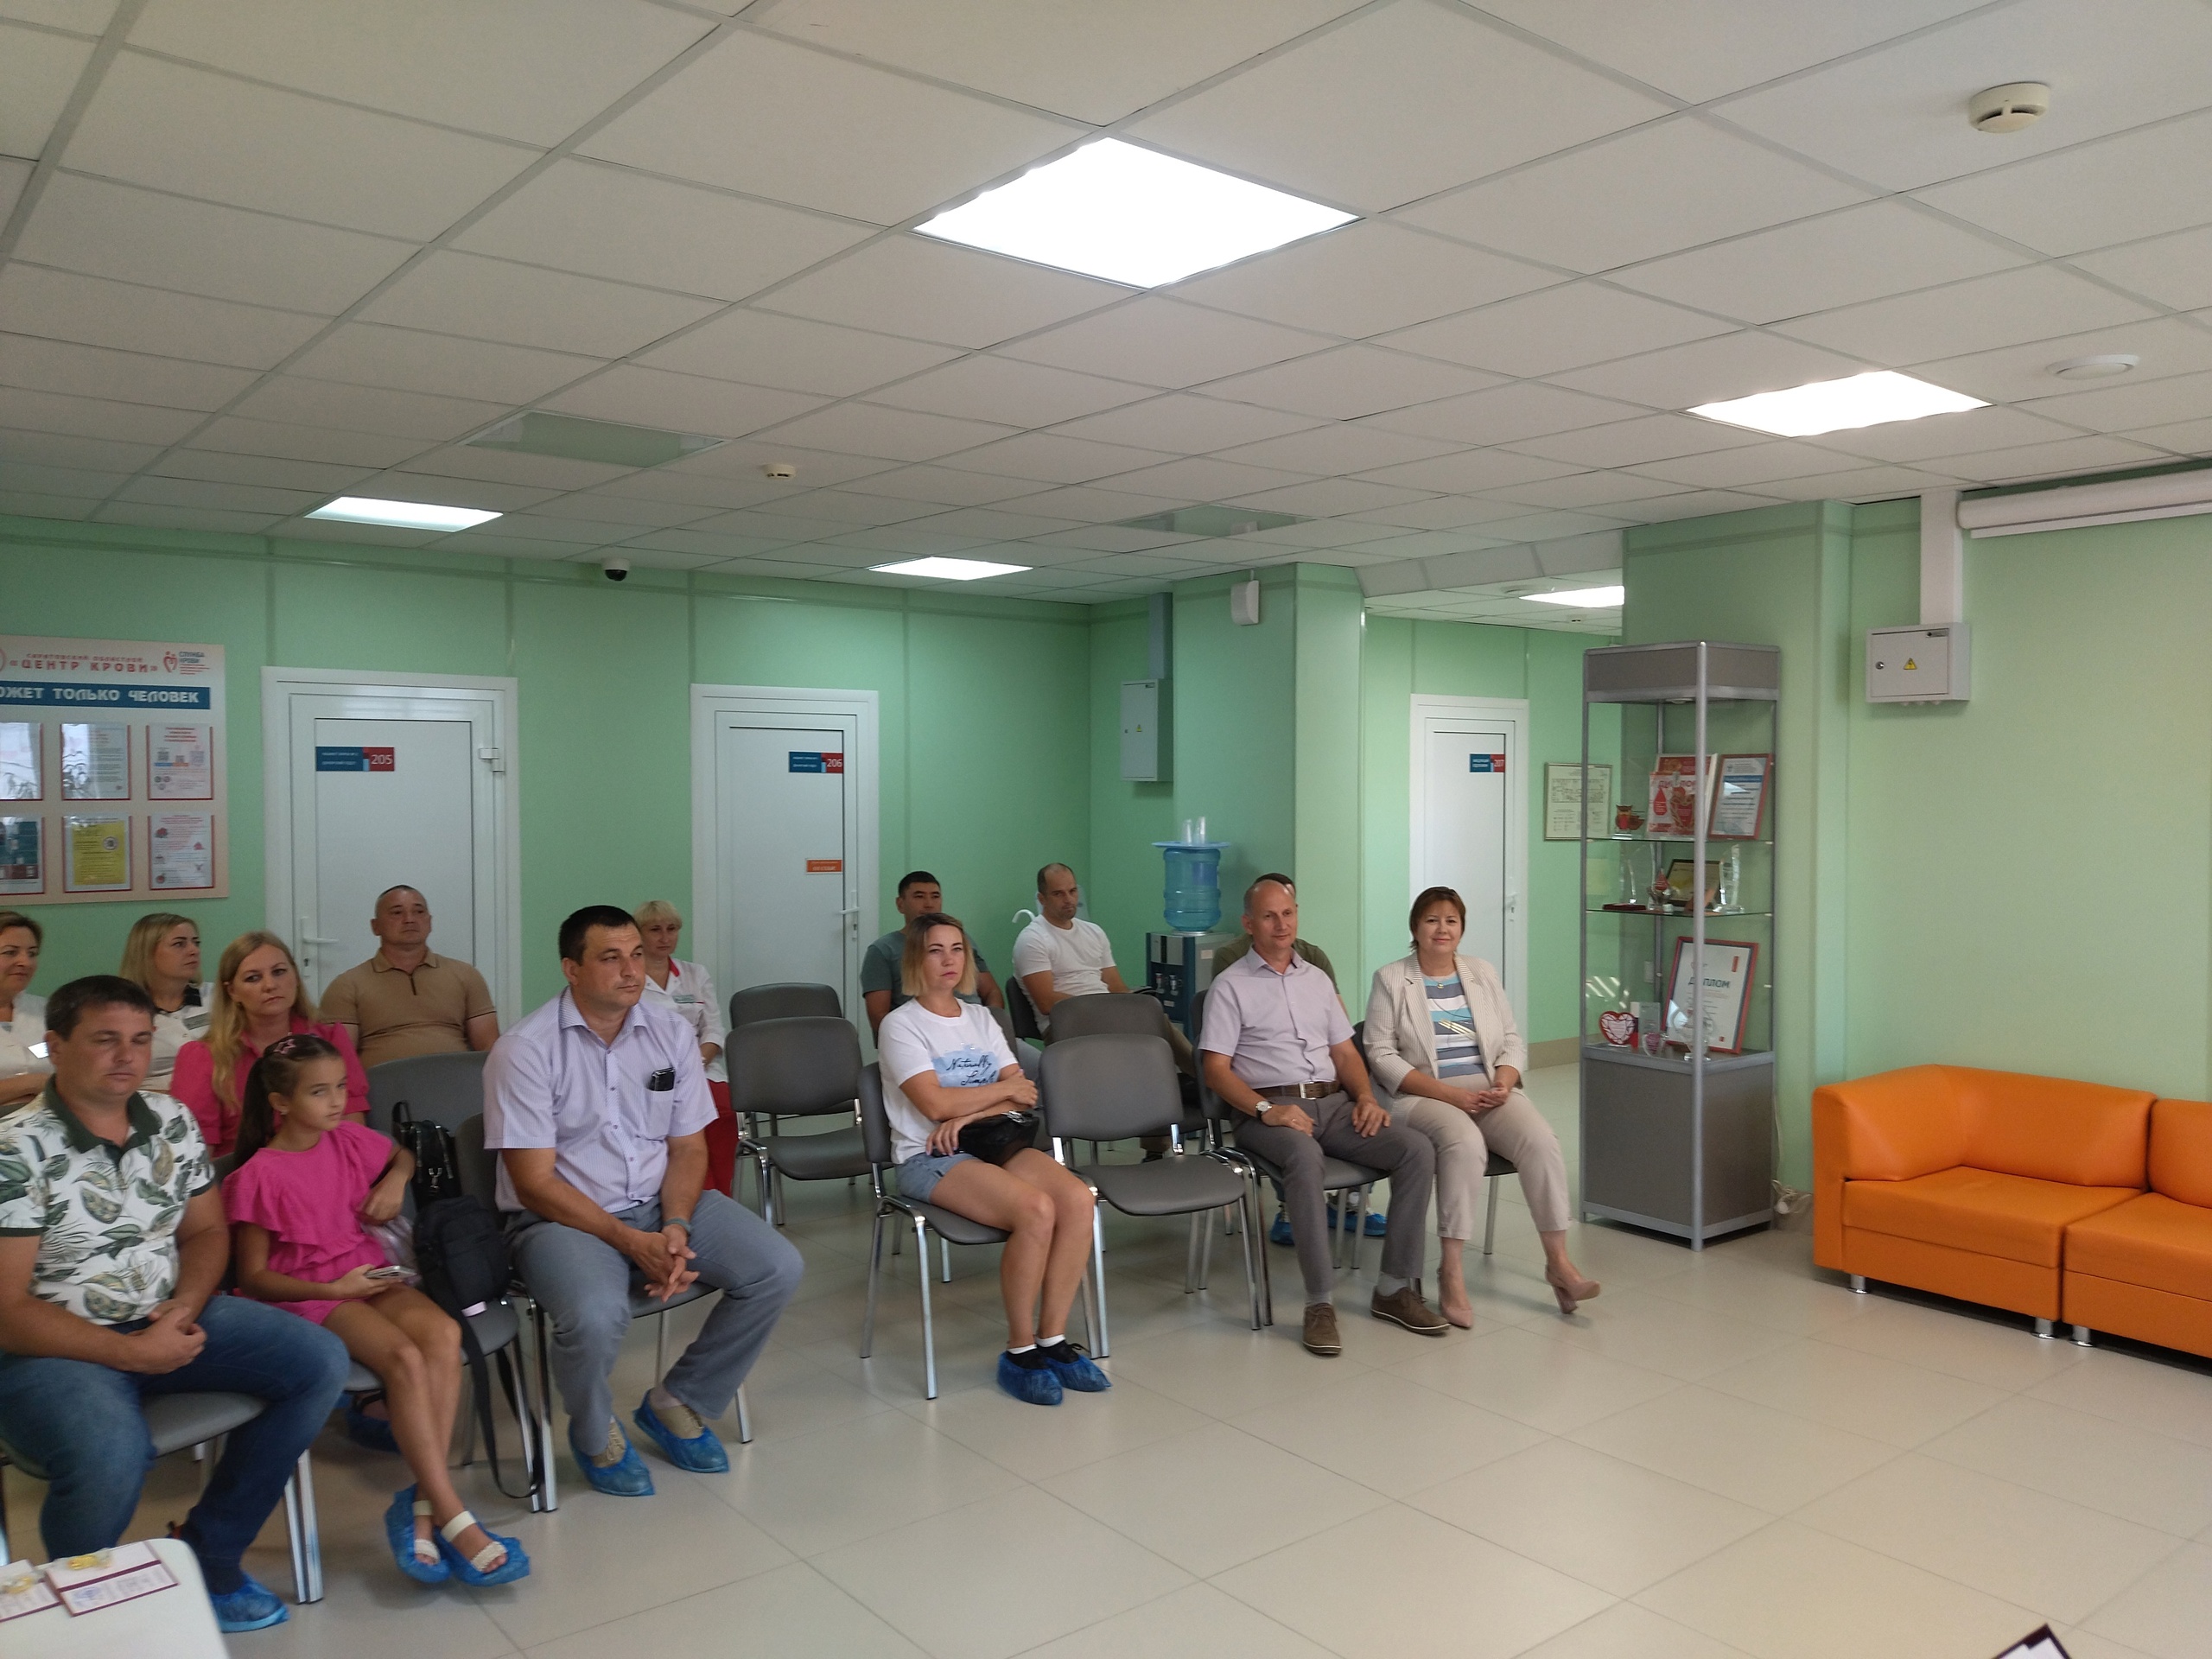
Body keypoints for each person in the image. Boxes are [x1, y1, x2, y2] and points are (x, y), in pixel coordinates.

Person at [0, 976, 350, 1633]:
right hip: (49, 1348)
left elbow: (207, 1232)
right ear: (56, 1045)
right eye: (105, 1040)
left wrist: (184, 1306)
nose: (127, 1057)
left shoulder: (170, 1120)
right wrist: (134, 1353)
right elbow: (7, 1311)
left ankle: (209, 1553)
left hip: (166, 1314)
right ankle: (84, 1615)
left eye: (139, 1040)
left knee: (320, 1361)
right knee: (109, 1451)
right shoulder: (14, 1147)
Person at [486, 906, 802, 1497]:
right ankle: (591, 1430)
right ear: (571, 969)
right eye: (611, 958)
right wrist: (632, 1242)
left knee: (776, 1266)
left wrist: (675, 1225)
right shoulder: (525, 1049)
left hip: (660, 1202)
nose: (632, 970)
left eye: (636, 955)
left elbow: (687, 1147)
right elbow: (533, 1183)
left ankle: (678, 1399)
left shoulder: (670, 1032)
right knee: (596, 1315)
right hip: (563, 1218)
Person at [224, 1033, 529, 1586]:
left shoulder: (346, 1139)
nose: (338, 1100)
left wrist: (396, 1178)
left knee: (444, 1335)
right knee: (403, 1359)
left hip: (365, 1269)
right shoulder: (260, 1174)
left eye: (341, 1086)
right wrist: (334, 1291)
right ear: (280, 1103)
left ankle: (423, 1505)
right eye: (319, 1091)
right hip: (311, 1290)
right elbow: (253, 1277)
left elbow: (402, 1152)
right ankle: (450, 1510)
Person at [1200, 876, 1446, 1356]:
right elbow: (1215, 1070)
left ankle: (1394, 1289)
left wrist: (1366, 1098)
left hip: (1332, 1105)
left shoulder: (1316, 979)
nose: (1281, 924)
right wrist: (1267, 1110)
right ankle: (1320, 1304)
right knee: (1304, 1159)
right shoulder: (1230, 986)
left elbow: (1345, 1052)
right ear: (1249, 924)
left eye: (1288, 914)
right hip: (1267, 1110)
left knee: (1416, 1150)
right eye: (1269, 916)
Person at [879, 912, 1107, 1406]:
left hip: (994, 1140)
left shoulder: (981, 1018)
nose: (949, 960)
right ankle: (1020, 1350)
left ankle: (1052, 1339)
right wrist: (987, 1098)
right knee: (1036, 1209)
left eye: (957, 949)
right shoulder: (901, 1025)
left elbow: (1023, 1092)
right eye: (936, 950)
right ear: (916, 959)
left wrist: (973, 1110)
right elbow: (934, 1105)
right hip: (930, 1155)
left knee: (1077, 1198)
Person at [1363, 887, 1600, 1320]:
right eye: (1432, 920)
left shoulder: (1481, 972)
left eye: (1451, 921)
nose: (1442, 929)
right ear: (1415, 927)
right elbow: (1380, 1054)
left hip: (1488, 1089)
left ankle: (1558, 1263)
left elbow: (1511, 1039)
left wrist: (1505, 1082)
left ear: (1462, 928)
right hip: (1422, 1094)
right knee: (1465, 1142)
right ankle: (1451, 1270)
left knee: (1540, 1140)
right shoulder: (1391, 979)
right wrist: (1450, 1095)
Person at [171, 931, 369, 1159]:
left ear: (295, 976)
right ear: (232, 991)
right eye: (253, 978)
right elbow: (197, 1158)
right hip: (245, 1173)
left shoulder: (328, 1039)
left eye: (279, 972)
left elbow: (353, 1129)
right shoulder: (203, 1057)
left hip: (328, 1167)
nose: (270, 985)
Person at [320, 886, 499, 1070]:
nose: (410, 919)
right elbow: (339, 1060)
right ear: (375, 926)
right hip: (383, 1085)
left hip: (456, 1081)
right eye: (397, 913)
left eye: (419, 912)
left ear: (430, 922)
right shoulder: (347, 985)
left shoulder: (466, 975)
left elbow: (489, 1046)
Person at [634, 900, 736, 1197]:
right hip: (651, 1072)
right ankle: (696, 1195)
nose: (665, 937)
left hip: (701, 1067)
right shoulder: (629, 978)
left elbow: (714, 1030)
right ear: (639, 934)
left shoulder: (695, 974)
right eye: (655, 930)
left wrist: (696, 1062)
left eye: (672, 929)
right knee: (680, 1122)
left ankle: (722, 1195)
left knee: (723, 1112)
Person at [862, 871, 1003, 1037]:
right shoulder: (883, 949)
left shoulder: (961, 938)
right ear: (900, 904)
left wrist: (991, 1024)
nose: (929, 904)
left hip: (978, 1029)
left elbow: (991, 991)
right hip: (923, 1035)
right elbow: (878, 1016)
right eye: (919, 897)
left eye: (935, 897)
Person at [118, 912, 213, 1094]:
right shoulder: (123, 1011)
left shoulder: (216, 996)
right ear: (146, 953)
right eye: (179, 944)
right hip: (152, 1103)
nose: (194, 950)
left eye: (196, 942)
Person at [0, 910, 48, 1110]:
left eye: (32, 954)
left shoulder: (48, 1011)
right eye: (10, 952)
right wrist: (32, 1083)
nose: (25, 962)